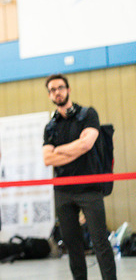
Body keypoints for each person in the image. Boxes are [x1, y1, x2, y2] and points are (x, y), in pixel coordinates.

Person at [42, 73, 116, 280]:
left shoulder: (88, 114)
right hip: (63, 191)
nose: (57, 92)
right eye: (52, 90)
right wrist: (75, 149)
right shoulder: (51, 126)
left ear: (68, 89)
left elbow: (87, 144)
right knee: (73, 245)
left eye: (60, 87)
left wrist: (59, 150)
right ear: (49, 95)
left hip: (89, 188)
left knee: (100, 241)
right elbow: (47, 158)